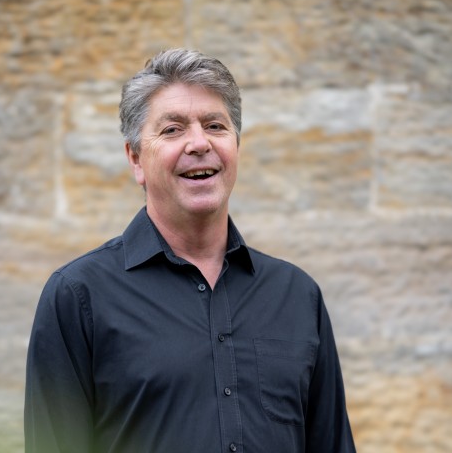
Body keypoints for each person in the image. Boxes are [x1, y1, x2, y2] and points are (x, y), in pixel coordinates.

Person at [24, 48, 356, 453]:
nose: (199, 143)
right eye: (172, 130)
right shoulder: (78, 296)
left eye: (215, 125)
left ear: (236, 145)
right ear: (135, 159)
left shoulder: (298, 295)